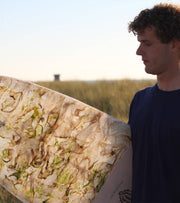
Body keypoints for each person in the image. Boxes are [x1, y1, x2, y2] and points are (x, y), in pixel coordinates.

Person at [128, 3, 180, 203]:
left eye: (148, 44)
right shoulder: (140, 101)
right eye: (139, 42)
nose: (139, 51)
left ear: (174, 44)